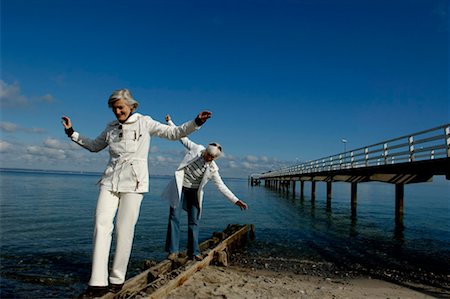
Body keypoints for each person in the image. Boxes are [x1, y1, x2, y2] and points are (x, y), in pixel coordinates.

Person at [61, 89, 211, 298]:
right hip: (109, 181)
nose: (117, 112)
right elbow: (95, 146)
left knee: (124, 230)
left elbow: (174, 133)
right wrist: (72, 133)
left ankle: (116, 279)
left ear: (132, 106)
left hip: (134, 183)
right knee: (101, 225)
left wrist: (196, 122)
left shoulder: (145, 122)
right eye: (114, 108)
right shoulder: (111, 127)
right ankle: (97, 282)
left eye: (120, 107)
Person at [162, 114, 248, 261]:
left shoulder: (213, 168)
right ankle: (172, 251)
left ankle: (193, 252)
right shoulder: (196, 149)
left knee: (194, 221)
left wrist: (236, 200)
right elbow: (182, 136)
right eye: (208, 155)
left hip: (194, 193)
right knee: (174, 217)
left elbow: (221, 186)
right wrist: (170, 122)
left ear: (215, 158)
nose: (208, 158)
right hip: (180, 188)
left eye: (212, 157)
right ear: (206, 151)